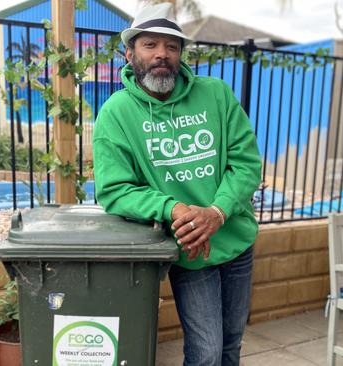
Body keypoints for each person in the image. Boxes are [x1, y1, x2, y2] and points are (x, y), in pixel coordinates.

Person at [92, 3, 262, 365]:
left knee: (231, 345)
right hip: (189, 250)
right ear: (130, 53)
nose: (161, 55)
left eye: (171, 46)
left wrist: (217, 211)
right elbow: (114, 190)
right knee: (206, 353)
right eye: (150, 45)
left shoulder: (215, 94)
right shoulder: (116, 114)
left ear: (181, 53)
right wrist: (173, 208)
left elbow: (246, 163)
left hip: (236, 240)